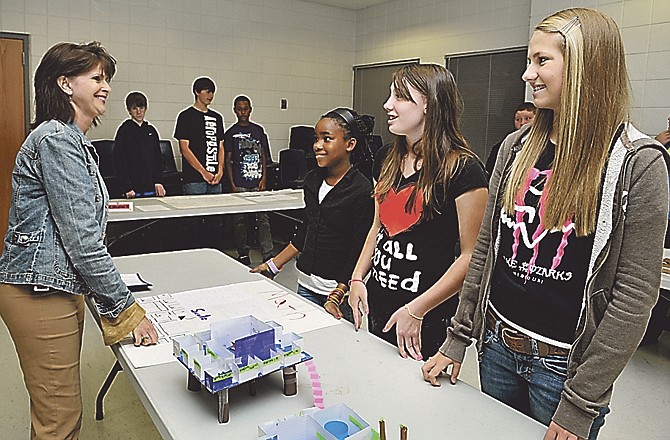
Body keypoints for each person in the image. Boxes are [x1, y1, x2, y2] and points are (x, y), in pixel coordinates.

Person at [421, 8, 669, 440]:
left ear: (583, 66)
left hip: (563, 372)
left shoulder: (638, 163)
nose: (526, 74)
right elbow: (486, 250)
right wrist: (459, 336)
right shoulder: (516, 147)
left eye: (541, 61)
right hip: (496, 346)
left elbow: (633, 297)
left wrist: (580, 402)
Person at [0, 41, 158, 439]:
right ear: (65, 84)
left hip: (56, 286)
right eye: (96, 78)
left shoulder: (74, 141)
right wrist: (127, 311)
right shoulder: (57, 140)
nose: (105, 87)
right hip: (39, 291)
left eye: (106, 78)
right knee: (60, 421)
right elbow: (83, 242)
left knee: (57, 413)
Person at [347, 64, 489, 361]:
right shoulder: (386, 158)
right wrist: (358, 278)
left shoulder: (463, 170)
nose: (387, 104)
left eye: (399, 96)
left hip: (424, 316)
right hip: (377, 302)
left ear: (429, 103)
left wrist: (418, 309)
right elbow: (378, 227)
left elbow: (471, 256)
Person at [251, 108, 375, 323]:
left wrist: (337, 294)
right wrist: (273, 265)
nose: (317, 146)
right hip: (306, 284)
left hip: (338, 293)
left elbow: (360, 249)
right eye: (316, 139)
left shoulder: (362, 190)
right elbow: (306, 231)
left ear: (350, 144)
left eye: (327, 139)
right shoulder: (312, 180)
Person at [224, 95, 273, 264]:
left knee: (263, 219)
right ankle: (243, 253)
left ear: (250, 110)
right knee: (239, 221)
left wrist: (264, 179)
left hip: (257, 182)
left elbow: (263, 156)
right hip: (240, 183)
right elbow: (227, 161)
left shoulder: (258, 130)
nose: (243, 112)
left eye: (245, 108)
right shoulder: (230, 133)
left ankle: (268, 253)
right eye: (239, 109)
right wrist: (232, 184)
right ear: (234, 110)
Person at [174, 76, 224, 195]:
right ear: (197, 92)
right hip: (194, 180)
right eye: (207, 92)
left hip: (215, 178)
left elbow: (221, 146)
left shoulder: (217, 117)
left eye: (212, 92)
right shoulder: (186, 116)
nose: (210, 96)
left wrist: (220, 171)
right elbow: (184, 148)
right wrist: (203, 172)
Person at [113, 91, 166, 198]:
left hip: (151, 187)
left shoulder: (151, 130)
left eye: (141, 108)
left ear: (146, 108)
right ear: (129, 110)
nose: (138, 112)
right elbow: (118, 160)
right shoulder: (124, 130)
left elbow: (158, 159)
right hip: (132, 189)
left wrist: (158, 181)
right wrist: (126, 187)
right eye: (134, 109)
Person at [485, 102, 537, 175]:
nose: (522, 123)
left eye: (527, 118)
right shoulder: (502, 146)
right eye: (518, 119)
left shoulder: (543, 144)